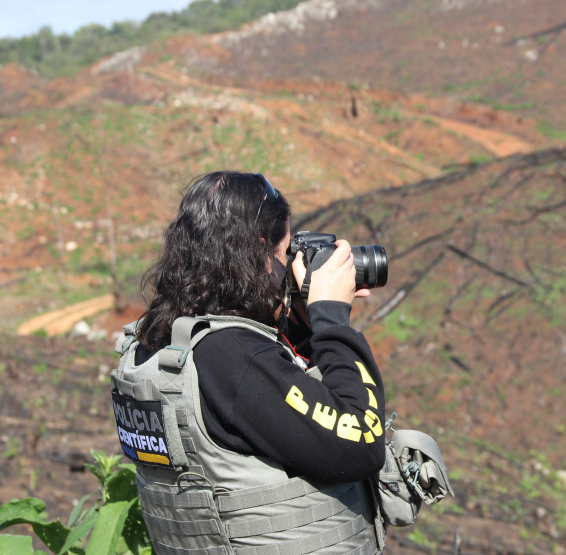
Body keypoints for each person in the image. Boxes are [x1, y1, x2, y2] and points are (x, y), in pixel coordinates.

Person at [111, 171, 387, 554]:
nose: (291, 265)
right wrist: (331, 320)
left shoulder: (156, 344)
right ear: (260, 253)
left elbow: (255, 426)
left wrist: (301, 327)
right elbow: (362, 441)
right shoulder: (236, 359)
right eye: (286, 250)